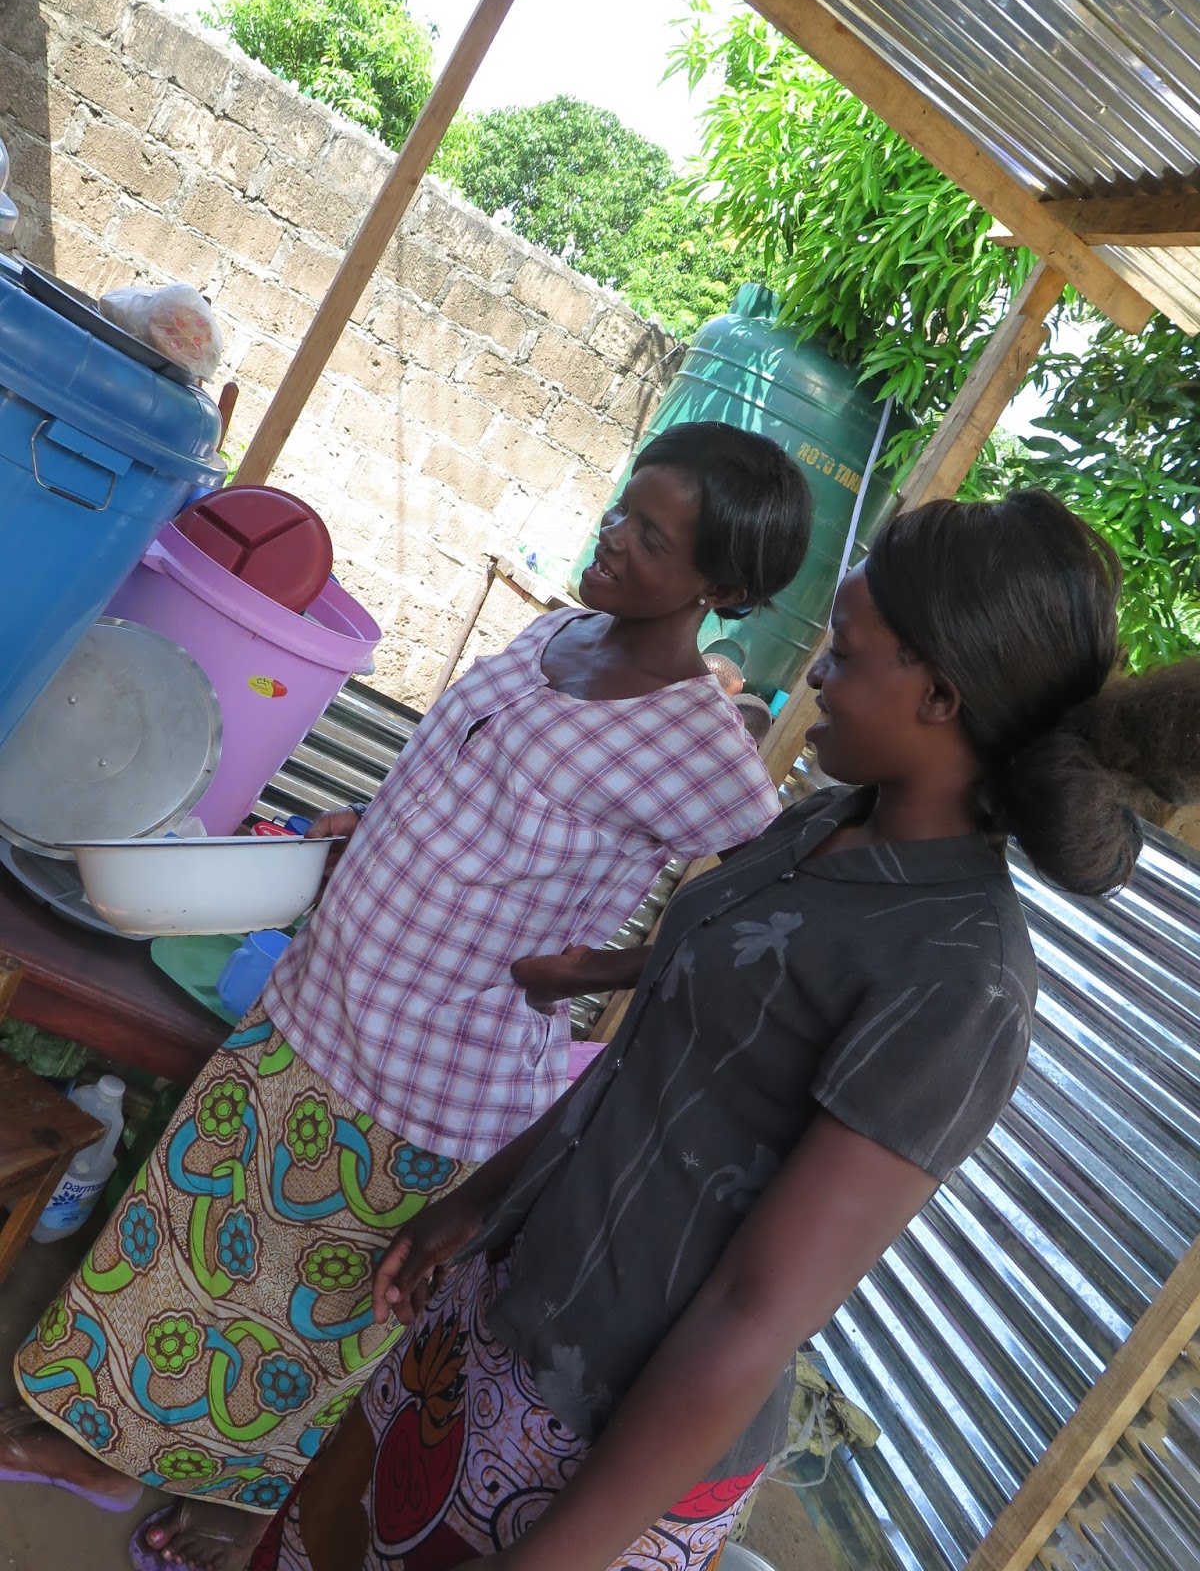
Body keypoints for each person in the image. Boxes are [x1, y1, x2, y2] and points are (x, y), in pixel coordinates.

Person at [249, 488, 1200, 1571]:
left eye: (846, 653)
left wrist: (558, 1558)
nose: (816, 674)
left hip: (602, 1446)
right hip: (504, 1314)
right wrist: (478, 1203)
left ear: (940, 692)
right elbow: (648, 1060)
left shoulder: (960, 978)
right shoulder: (824, 825)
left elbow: (758, 1310)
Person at [2, 422, 813, 1571]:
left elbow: (777, 911)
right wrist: (368, 824)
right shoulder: (557, 631)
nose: (614, 538)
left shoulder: (695, 741)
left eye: (653, 537)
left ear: (720, 588)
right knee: (187, 1239)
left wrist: (603, 970)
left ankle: (233, 1504)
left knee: (302, 1316)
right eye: (623, 509)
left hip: (428, 1081)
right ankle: (95, 1442)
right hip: (316, 1003)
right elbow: (454, 774)